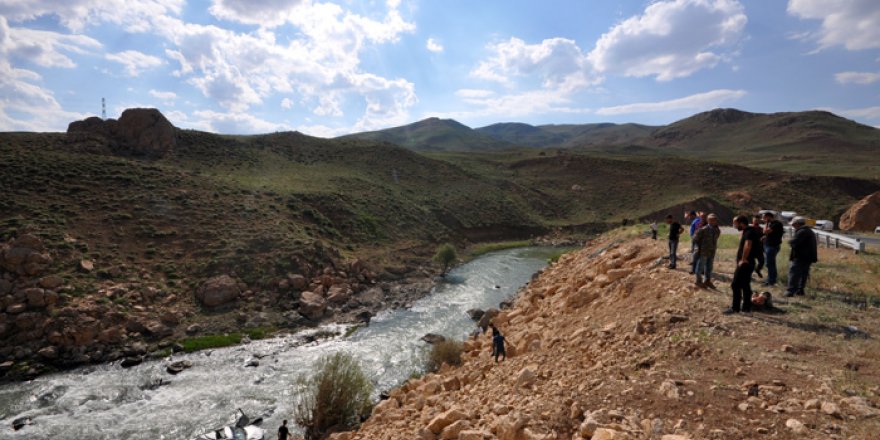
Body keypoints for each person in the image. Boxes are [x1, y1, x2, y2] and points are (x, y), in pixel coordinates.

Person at [725, 215, 762, 314]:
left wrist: (743, 259)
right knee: (745, 285)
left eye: (736, 224)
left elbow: (748, 245)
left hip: (746, 263)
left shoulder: (749, 232)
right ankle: (746, 308)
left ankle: (735, 308)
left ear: (741, 223)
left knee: (735, 284)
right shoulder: (749, 231)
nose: (735, 226)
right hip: (749, 263)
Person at [785, 217, 818, 297]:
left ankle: (790, 291)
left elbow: (794, 242)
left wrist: (790, 241)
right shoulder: (807, 230)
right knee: (803, 274)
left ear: (797, 224)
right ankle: (800, 290)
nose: (792, 226)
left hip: (800, 256)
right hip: (807, 257)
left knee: (794, 273)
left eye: (793, 224)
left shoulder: (802, 231)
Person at [693, 213, 720, 289]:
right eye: (710, 220)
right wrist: (699, 248)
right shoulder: (703, 229)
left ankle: (707, 281)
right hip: (703, 252)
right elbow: (695, 239)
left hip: (711, 252)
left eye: (714, 220)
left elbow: (716, 239)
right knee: (700, 267)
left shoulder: (717, 230)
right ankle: (698, 281)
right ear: (707, 220)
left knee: (709, 268)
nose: (712, 221)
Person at [761, 212, 784, 286]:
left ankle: (771, 280)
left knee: (770, 264)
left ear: (768, 217)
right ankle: (770, 279)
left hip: (772, 246)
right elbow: (769, 234)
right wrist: (765, 237)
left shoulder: (776, 224)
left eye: (764, 218)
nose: (763, 219)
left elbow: (765, 231)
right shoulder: (771, 224)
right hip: (769, 246)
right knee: (769, 263)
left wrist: (766, 223)